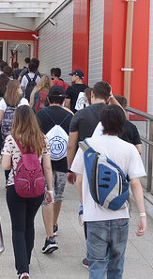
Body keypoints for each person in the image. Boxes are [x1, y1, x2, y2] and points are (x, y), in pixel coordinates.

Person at [70, 104, 147, 278]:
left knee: (96, 266)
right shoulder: (129, 149)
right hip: (120, 215)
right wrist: (142, 215)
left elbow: (79, 179)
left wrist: (85, 203)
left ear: (102, 123)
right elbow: (135, 184)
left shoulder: (87, 146)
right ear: (122, 123)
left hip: (95, 217)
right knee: (116, 265)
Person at [66, 81, 116, 269]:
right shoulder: (115, 115)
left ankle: (92, 254)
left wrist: (71, 168)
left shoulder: (80, 115)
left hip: (88, 167)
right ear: (109, 96)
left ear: (91, 94)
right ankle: (110, 252)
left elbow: (72, 145)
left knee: (89, 208)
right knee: (111, 206)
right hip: (113, 167)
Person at [1, 105, 54, 279]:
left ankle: (22, 269)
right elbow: (47, 166)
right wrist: (50, 189)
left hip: (15, 187)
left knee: (17, 227)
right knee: (29, 223)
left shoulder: (11, 139)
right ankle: (28, 260)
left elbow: (5, 165)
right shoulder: (42, 139)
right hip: (37, 188)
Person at [35, 85, 73, 254]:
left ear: (48, 99)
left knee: (47, 196)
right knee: (58, 195)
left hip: (44, 161)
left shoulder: (40, 114)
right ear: (64, 99)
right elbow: (73, 142)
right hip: (64, 162)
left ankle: (50, 236)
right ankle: (54, 224)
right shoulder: (70, 116)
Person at [0, 80, 29, 160]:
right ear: (15, 89)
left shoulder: (3, 101)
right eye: (19, 88)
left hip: (7, 135)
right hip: (21, 134)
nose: (21, 89)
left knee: (7, 158)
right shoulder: (24, 101)